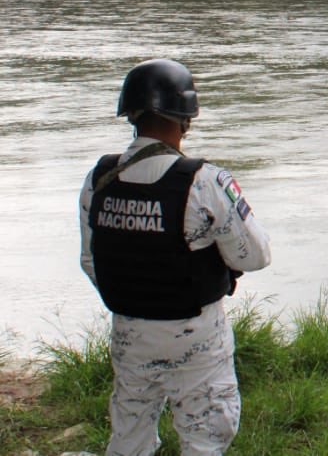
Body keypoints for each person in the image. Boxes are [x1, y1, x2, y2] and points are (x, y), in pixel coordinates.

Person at [79, 58, 271, 456]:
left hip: (129, 331)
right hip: (196, 333)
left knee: (129, 436)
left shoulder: (99, 178)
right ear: (185, 120)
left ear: (130, 115)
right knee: (205, 437)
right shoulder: (205, 182)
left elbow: (91, 260)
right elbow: (255, 255)